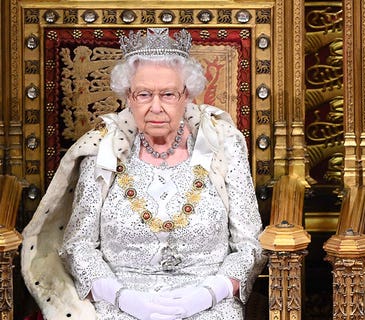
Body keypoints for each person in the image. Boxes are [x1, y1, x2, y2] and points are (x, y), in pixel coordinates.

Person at [21, 28, 265, 320]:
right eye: (144, 94)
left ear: (186, 95)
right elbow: (78, 244)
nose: (156, 107)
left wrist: (209, 294)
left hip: (210, 304)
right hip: (119, 304)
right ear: (128, 97)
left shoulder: (223, 144)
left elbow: (250, 244)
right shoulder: (103, 150)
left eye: (168, 94)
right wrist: (122, 298)